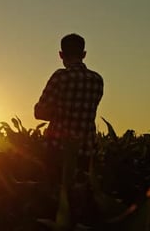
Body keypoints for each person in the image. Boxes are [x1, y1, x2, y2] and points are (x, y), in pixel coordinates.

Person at [34, 33, 103, 225]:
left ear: (61, 54)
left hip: (58, 150)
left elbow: (40, 112)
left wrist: (54, 112)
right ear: (84, 53)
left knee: (55, 202)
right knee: (79, 203)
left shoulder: (60, 77)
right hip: (85, 151)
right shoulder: (97, 80)